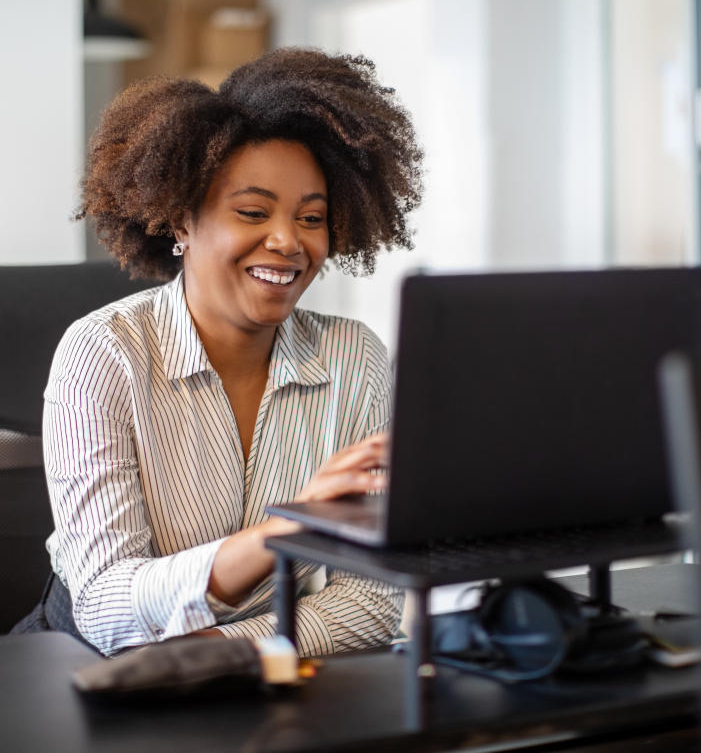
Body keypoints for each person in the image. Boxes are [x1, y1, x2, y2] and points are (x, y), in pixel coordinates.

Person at [21, 48, 424, 657]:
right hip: (96, 674)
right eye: (253, 212)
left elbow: (370, 602)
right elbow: (105, 606)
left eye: (311, 218)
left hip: (261, 671)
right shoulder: (104, 354)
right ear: (182, 221)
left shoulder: (355, 357)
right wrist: (286, 533)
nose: (289, 241)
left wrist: (224, 650)